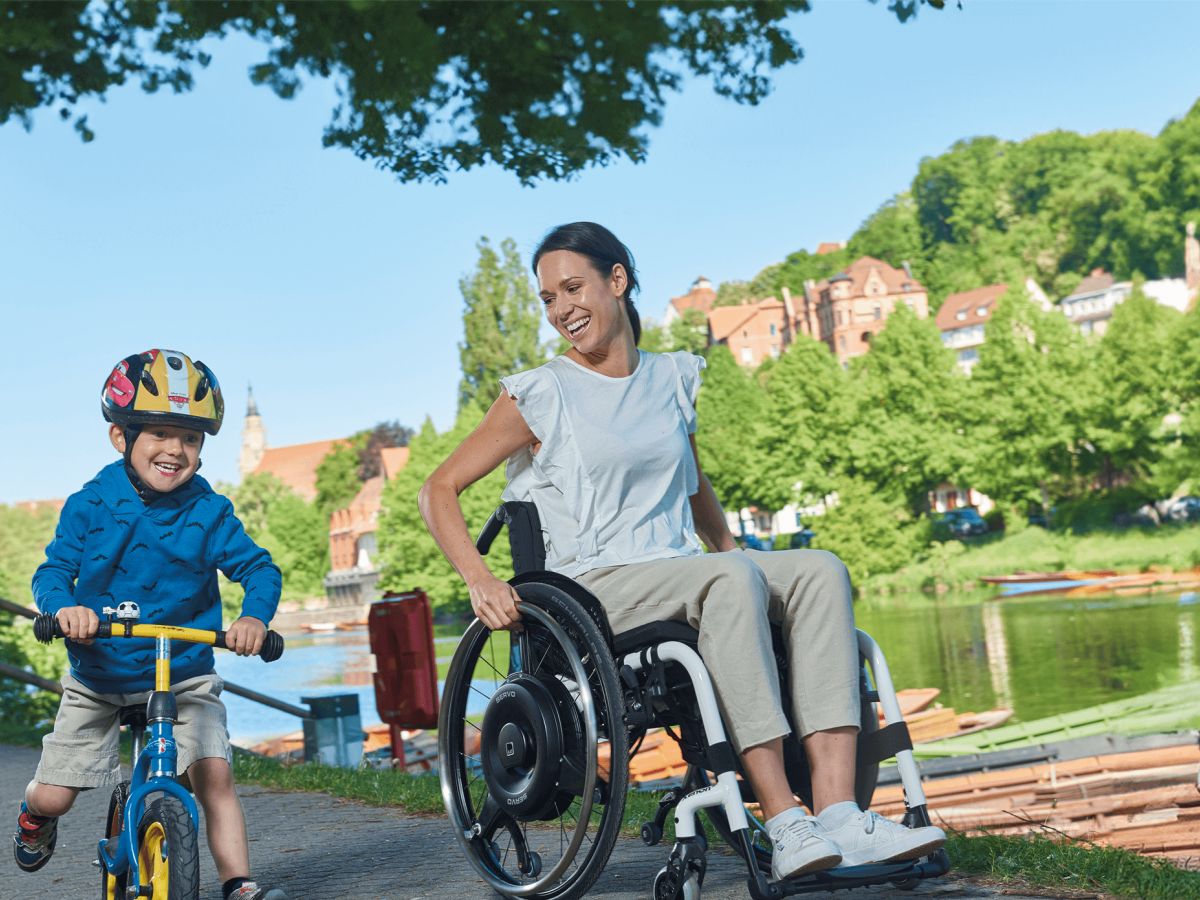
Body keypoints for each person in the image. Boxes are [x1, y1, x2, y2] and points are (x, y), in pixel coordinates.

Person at [419, 223, 945, 882]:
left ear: (618, 281)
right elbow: (437, 489)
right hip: (592, 586)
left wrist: (739, 556)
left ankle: (837, 814)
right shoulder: (542, 392)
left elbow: (696, 489)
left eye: (573, 287)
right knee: (726, 582)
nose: (561, 310)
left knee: (818, 570)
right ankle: (784, 821)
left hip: (681, 570)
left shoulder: (671, 377)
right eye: (549, 298)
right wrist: (479, 577)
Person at [14, 349, 289, 900]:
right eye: (160, 433)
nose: (175, 449)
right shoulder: (91, 504)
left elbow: (258, 568)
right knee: (55, 795)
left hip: (182, 670)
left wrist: (254, 618)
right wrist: (65, 609)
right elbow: (54, 571)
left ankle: (239, 883)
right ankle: (33, 817)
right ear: (121, 437)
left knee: (214, 775)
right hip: (100, 673)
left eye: (190, 438)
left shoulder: (208, 512)